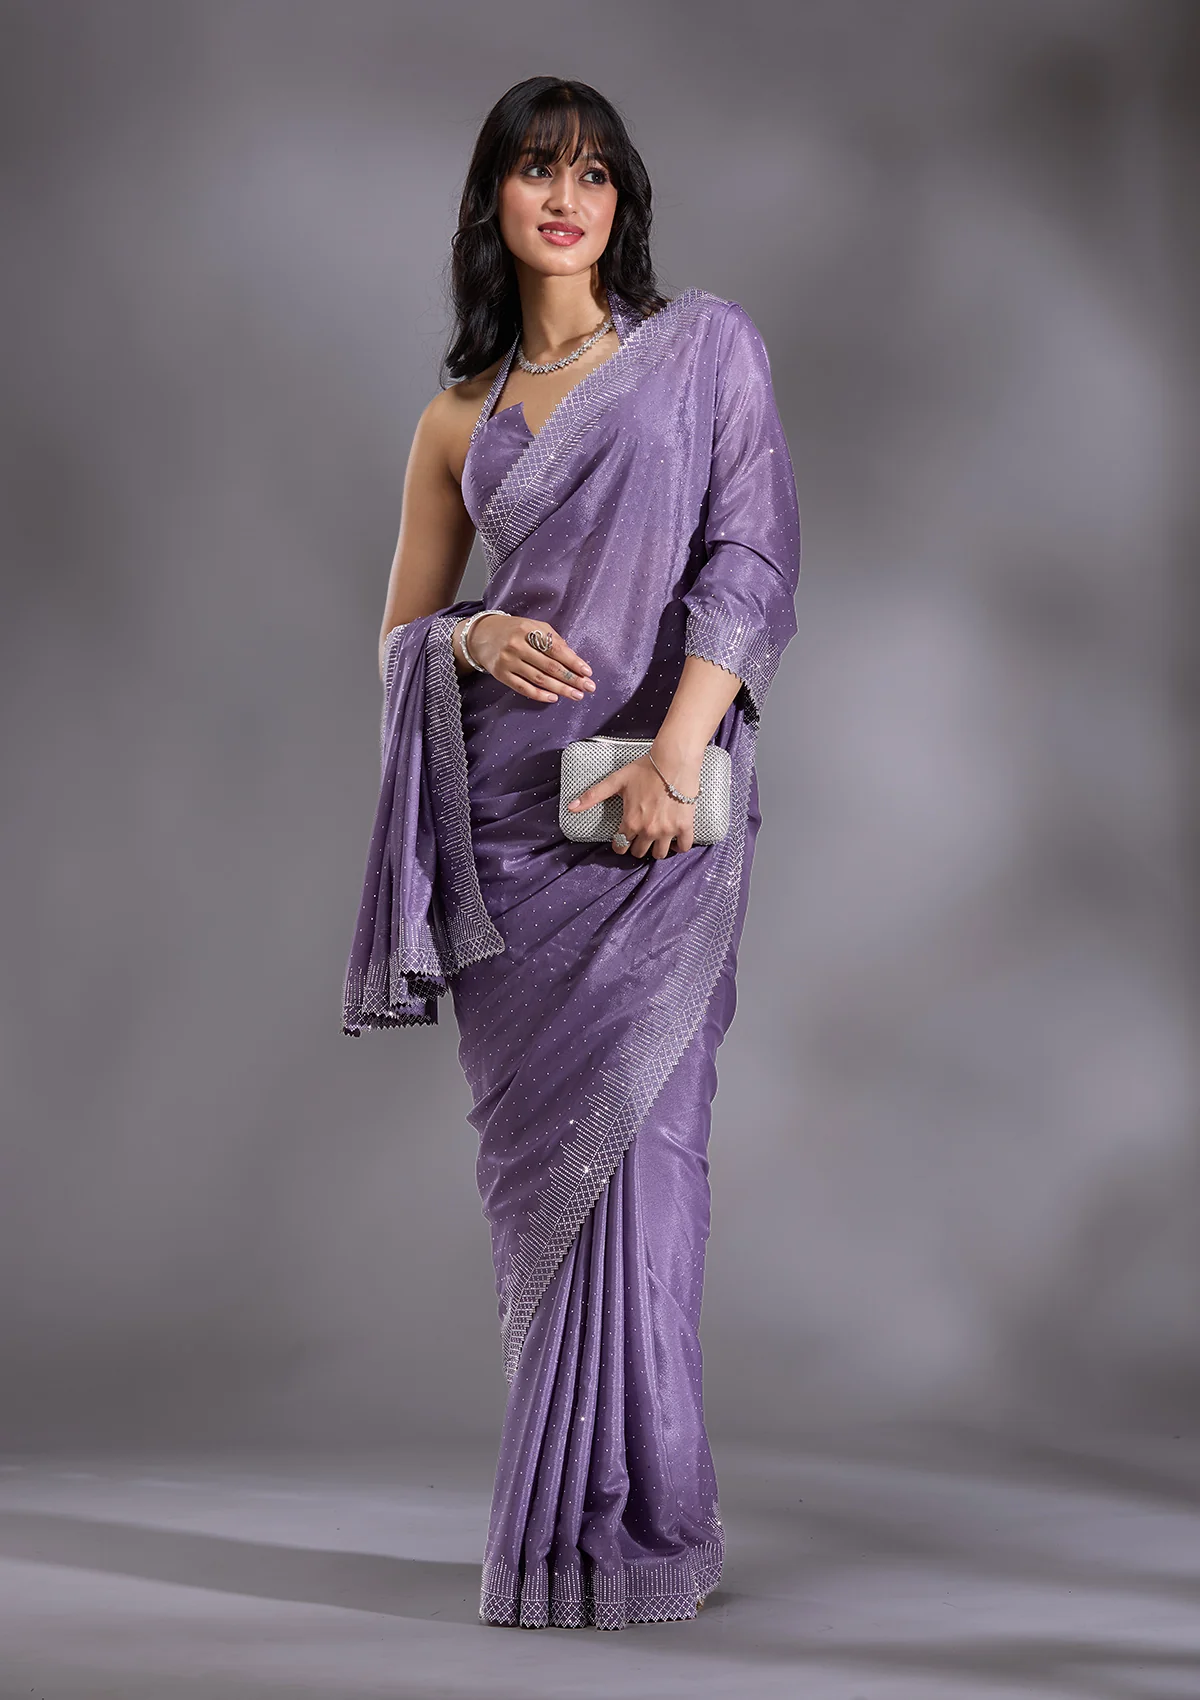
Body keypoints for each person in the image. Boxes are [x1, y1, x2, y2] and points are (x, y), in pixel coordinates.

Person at [342, 75, 801, 1631]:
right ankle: (557, 1546)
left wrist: (678, 749)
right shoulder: (456, 420)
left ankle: (643, 1530)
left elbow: (751, 556)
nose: (566, 197)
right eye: (538, 170)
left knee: (654, 1170)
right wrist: (467, 636)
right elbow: (400, 634)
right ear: (495, 199)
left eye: (594, 174)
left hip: (656, 816)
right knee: (538, 1192)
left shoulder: (703, 351)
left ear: (623, 204)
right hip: (511, 834)